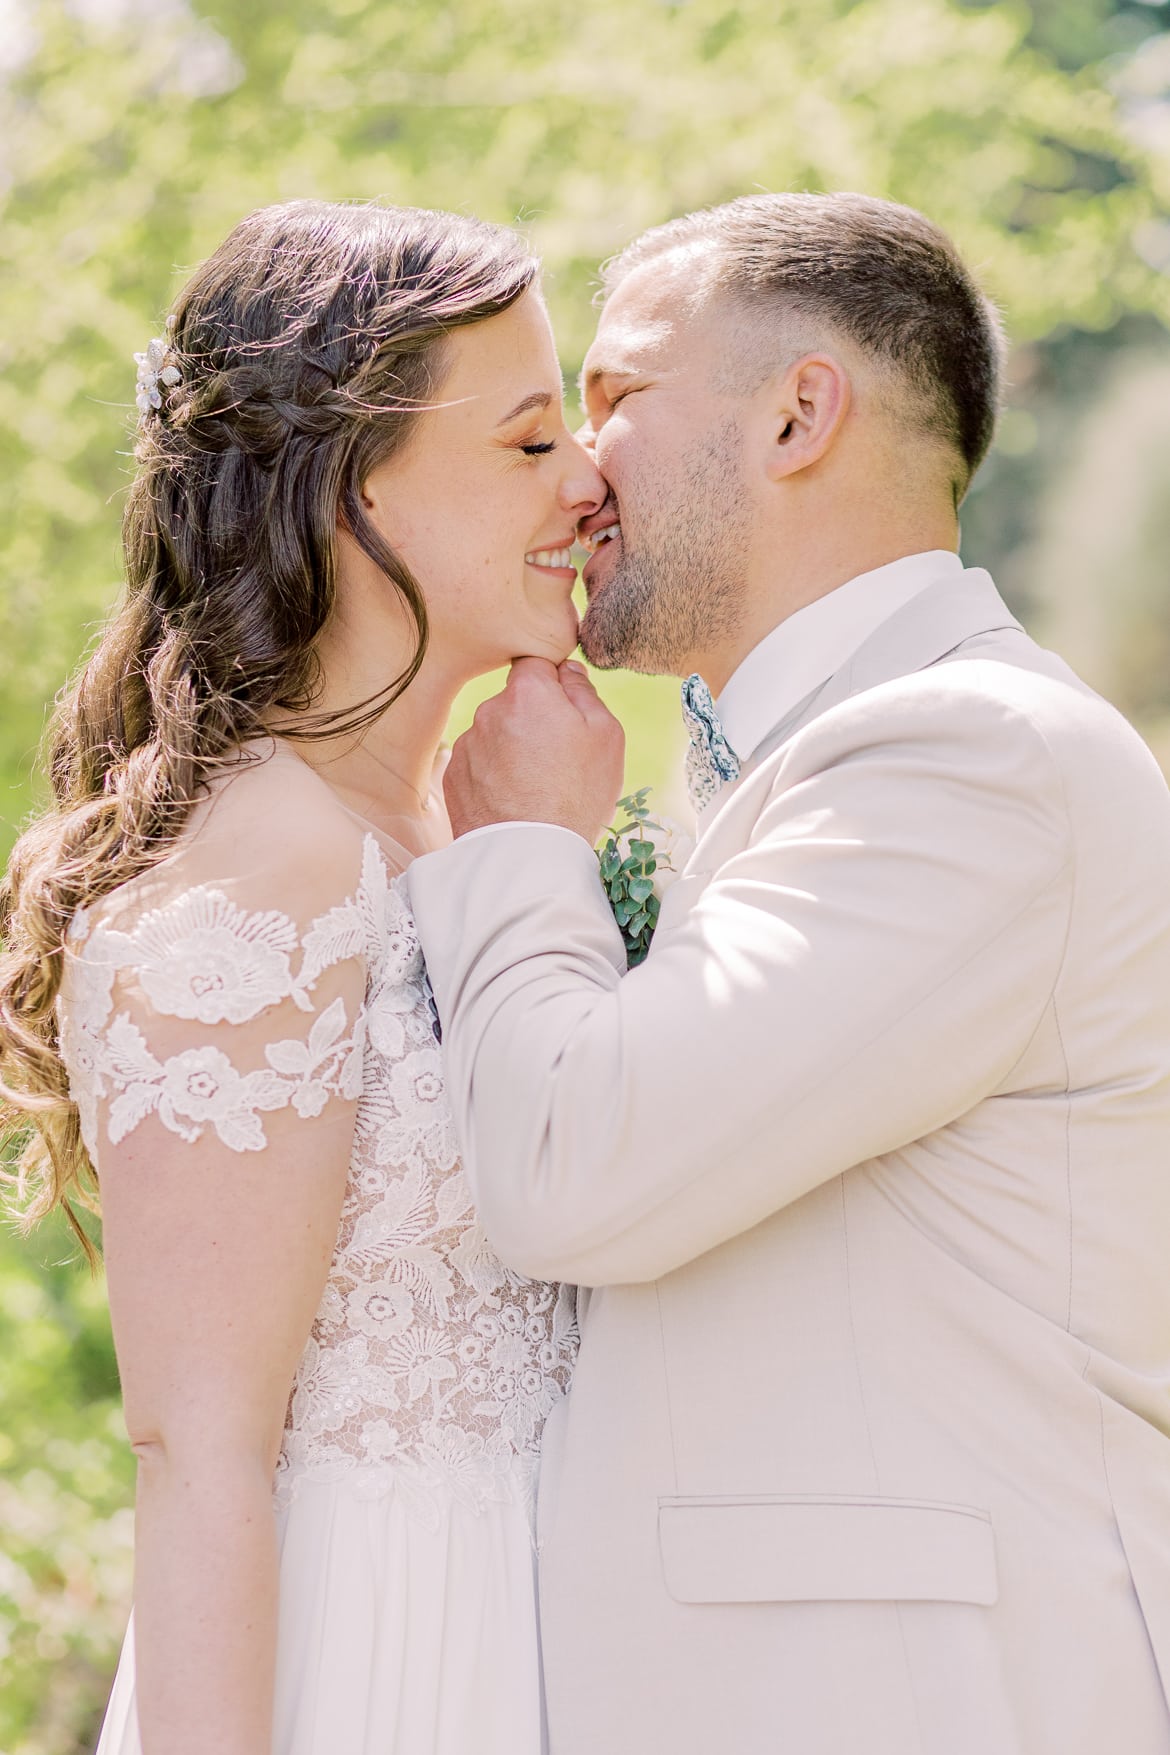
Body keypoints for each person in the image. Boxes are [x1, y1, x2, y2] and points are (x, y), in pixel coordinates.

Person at [405, 193, 1170, 1754]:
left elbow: (575, 1170)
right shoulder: (822, 755)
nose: (571, 465)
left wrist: (522, 852)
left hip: (909, 1701)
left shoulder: (968, 755)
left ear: (796, 413)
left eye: (610, 399)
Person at [0, 197, 606, 1754]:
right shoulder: (264, 865)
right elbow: (196, 1452)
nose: (590, 483)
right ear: (350, 487)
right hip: (377, 1655)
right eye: (530, 442)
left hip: (560, 1631)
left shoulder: (445, 821)